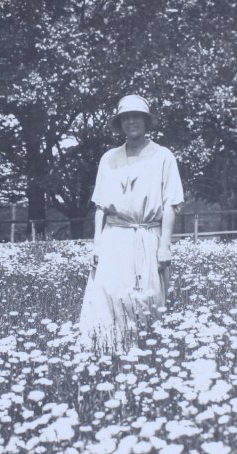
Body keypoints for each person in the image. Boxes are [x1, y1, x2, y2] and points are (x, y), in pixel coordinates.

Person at [76, 95, 184, 354]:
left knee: (146, 297)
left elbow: (171, 204)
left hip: (148, 236)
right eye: (126, 117)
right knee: (107, 294)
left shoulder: (163, 156)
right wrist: (97, 244)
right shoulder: (109, 158)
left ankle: (147, 353)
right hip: (115, 237)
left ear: (146, 122)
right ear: (120, 123)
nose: (131, 121)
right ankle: (106, 351)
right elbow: (101, 207)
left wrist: (165, 247)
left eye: (137, 116)